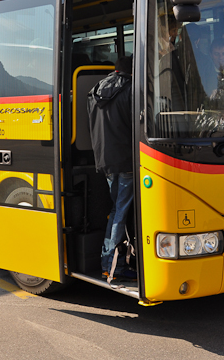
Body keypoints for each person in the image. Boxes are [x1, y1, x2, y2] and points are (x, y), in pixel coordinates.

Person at [87, 56, 135, 282]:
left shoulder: (96, 90)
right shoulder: (131, 90)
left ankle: (113, 263)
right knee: (120, 213)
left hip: (105, 161)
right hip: (126, 160)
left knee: (117, 210)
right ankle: (111, 266)